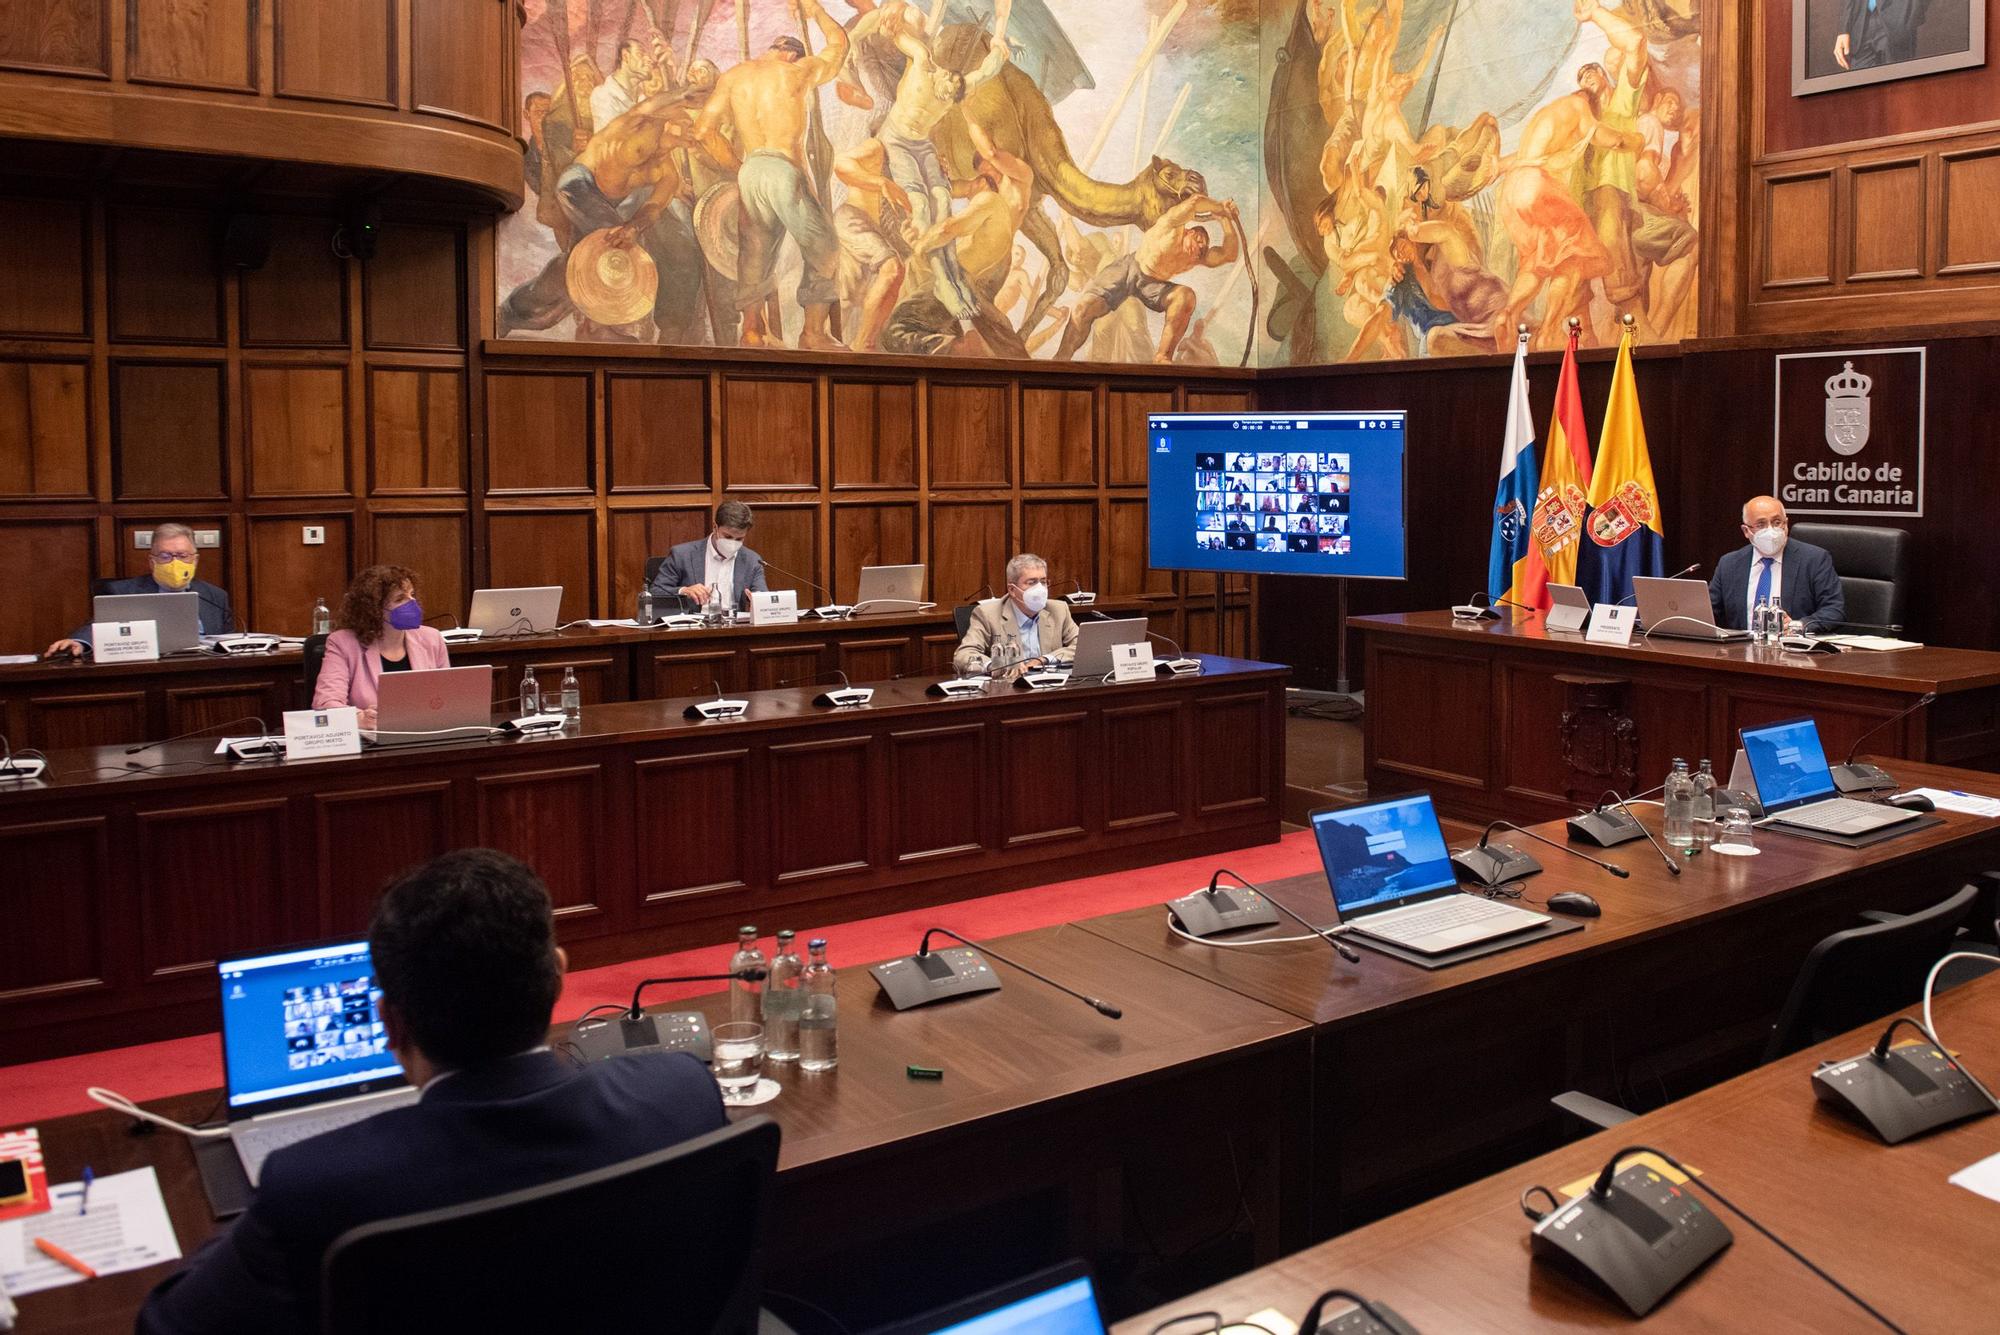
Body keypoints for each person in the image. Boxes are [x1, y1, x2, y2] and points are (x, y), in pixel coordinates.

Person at [135, 849, 726, 1335]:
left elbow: (165, 1325)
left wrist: (238, 1240)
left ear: (390, 1022)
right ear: (559, 976)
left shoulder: (311, 1188)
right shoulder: (681, 1092)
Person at [693, 0, 850, 349]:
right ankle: (812, 334)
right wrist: (816, 11)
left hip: (752, 171)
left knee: (754, 253)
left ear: (770, 51)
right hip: (783, 169)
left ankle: (751, 330)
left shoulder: (733, 77)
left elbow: (703, 130)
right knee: (824, 246)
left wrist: (739, 169)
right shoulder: (797, 72)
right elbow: (839, 45)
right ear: (792, 54)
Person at [45, 522, 233, 658]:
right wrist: (80, 642)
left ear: (195, 560)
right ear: (152, 561)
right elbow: (99, 627)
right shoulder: (124, 591)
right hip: (148, 669)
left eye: (182, 555)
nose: (174, 562)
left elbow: (227, 643)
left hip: (201, 670)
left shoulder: (214, 595)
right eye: (165, 555)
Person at [313, 565, 451, 731]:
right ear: (375, 610)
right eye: (400, 599)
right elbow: (325, 704)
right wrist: (359, 719)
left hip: (425, 733)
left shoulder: (432, 638)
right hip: (372, 740)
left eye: (412, 595)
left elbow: (446, 698)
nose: (412, 602)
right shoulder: (343, 643)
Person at [1707, 496, 1846, 634]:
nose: (1771, 530)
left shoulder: (1814, 559)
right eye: (1761, 525)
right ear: (1746, 531)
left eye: (1777, 522)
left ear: (1786, 524)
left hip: (1793, 649)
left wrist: (1798, 626)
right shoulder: (1729, 564)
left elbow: (1834, 611)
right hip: (1740, 651)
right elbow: (1708, 611)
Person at [952, 553, 1079, 678]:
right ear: (1012, 590)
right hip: (1009, 689)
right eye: (1032, 582)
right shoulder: (987, 614)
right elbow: (964, 654)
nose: (1040, 588)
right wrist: (998, 665)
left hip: (1050, 686)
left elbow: (1081, 645)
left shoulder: (1058, 609)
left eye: (1043, 582)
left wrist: (1044, 659)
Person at [646, 501, 770, 613]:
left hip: (734, 631)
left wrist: (758, 600)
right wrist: (684, 591)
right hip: (693, 629)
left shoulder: (752, 560)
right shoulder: (682, 554)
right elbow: (655, 592)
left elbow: (762, 597)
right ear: (715, 527)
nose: (733, 543)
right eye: (727, 537)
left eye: (739, 539)